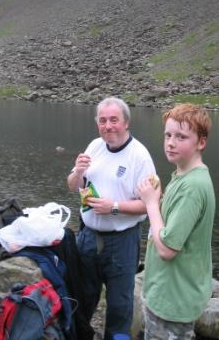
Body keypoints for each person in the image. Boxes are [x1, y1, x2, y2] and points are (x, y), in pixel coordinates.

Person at [67, 97, 156, 340]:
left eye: (114, 120)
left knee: (119, 307)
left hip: (122, 242)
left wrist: (113, 207)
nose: (108, 126)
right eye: (103, 120)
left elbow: (148, 205)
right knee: (82, 300)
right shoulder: (94, 146)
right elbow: (73, 185)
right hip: (87, 237)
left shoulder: (140, 157)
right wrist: (77, 172)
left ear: (126, 122)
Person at [138, 103, 215, 340]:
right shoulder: (182, 174)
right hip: (167, 292)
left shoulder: (192, 187)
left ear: (201, 142)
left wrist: (151, 203)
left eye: (181, 136)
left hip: (173, 300)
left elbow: (168, 250)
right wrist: (159, 198)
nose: (171, 142)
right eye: (168, 135)